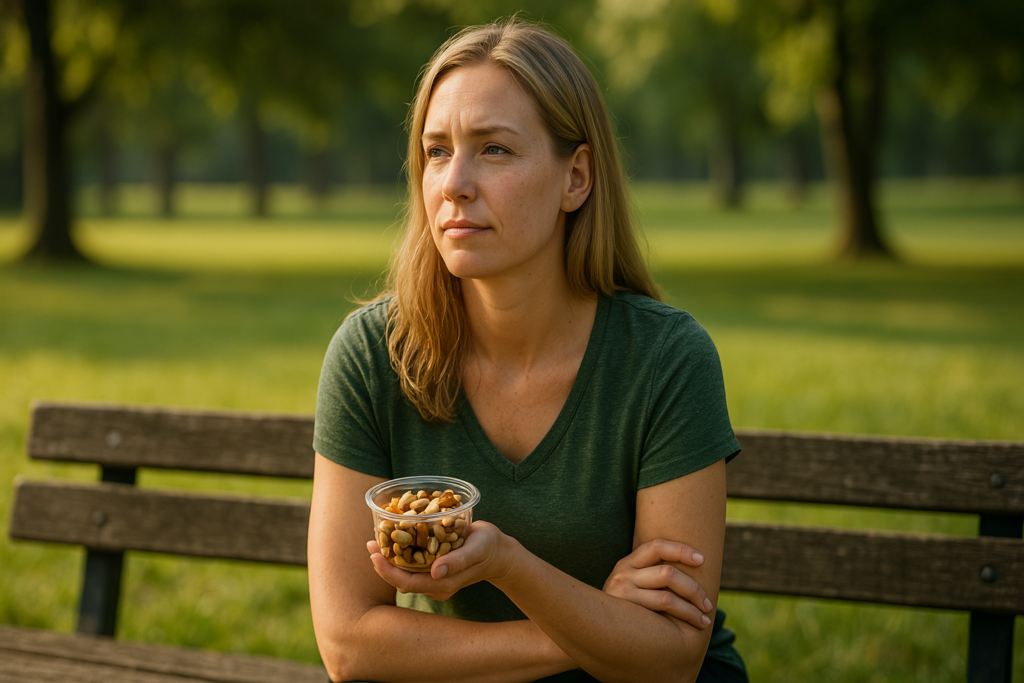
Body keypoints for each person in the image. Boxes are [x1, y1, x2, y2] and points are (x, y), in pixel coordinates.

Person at [308, 18, 747, 683]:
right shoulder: (374, 356)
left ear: (576, 178)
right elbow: (349, 645)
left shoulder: (666, 358)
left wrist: (510, 565)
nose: (454, 183)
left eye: (493, 150)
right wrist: (590, 621)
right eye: (435, 150)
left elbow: (671, 655)